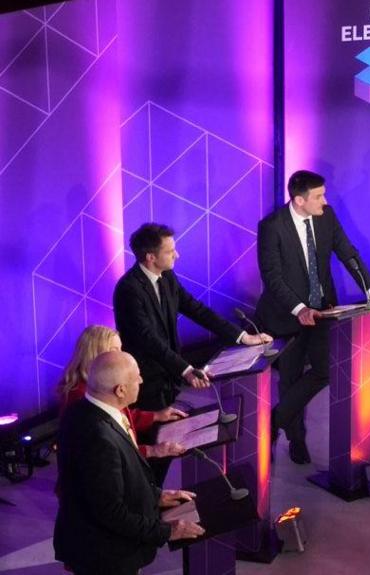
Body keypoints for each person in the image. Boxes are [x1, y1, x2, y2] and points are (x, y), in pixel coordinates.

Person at [255, 170, 370, 464]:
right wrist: (299, 309)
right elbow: (272, 276)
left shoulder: (326, 216)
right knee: (290, 378)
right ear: (299, 200)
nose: (325, 200)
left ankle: (273, 421)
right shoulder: (272, 227)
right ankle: (296, 440)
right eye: (319, 196)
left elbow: (348, 253)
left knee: (325, 370)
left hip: (324, 311)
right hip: (286, 315)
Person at [54, 350, 204, 574]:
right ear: (120, 390)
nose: (141, 380)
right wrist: (167, 531)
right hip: (105, 557)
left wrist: (157, 495)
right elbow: (110, 511)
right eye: (137, 377)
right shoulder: (98, 437)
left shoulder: (83, 410)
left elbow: (117, 481)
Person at [113, 223, 272, 411]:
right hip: (147, 381)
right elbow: (148, 339)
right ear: (150, 257)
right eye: (170, 251)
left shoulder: (167, 277)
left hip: (169, 376)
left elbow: (197, 310)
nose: (176, 255)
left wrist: (242, 337)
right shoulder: (128, 290)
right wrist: (186, 370)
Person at [57, 325, 187, 459]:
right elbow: (110, 452)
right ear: (95, 355)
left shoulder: (100, 386)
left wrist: (155, 416)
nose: (122, 355)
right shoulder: (83, 398)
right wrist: (152, 451)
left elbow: (120, 418)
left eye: (121, 349)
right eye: (115, 351)